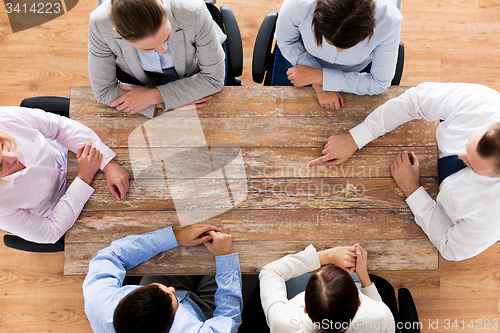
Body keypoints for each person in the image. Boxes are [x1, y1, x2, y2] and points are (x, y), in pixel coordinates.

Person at [309, 82, 500, 261]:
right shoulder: (482, 102)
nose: (460, 155)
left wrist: (413, 191)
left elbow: (450, 247)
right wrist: (356, 138)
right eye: (468, 144)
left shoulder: (489, 217)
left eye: (472, 166)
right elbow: (415, 100)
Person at [0, 106, 129, 244]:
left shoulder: (4, 118)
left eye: (2, 144)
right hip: (62, 208)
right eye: (0, 165)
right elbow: (50, 232)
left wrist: (108, 163)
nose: (13, 156)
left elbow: (58, 127)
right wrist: (84, 178)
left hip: (69, 151)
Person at [83, 223, 243, 333]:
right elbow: (228, 319)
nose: (173, 290)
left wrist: (175, 237)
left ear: (121, 299)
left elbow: (110, 256)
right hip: (204, 314)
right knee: (241, 260)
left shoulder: (99, 301)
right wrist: (226, 258)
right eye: (173, 299)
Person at [88, 0, 227, 118]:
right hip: (137, 80)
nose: (163, 50)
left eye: (167, 37)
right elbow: (104, 91)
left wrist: (155, 97)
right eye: (147, 49)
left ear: (161, 2)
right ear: (119, 33)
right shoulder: (100, 24)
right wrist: (170, 101)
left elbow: (213, 78)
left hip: (192, 72)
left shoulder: (193, 9)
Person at [272, 0, 402, 110]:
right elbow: (286, 40)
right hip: (298, 54)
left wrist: (319, 77)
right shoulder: (298, 3)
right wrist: (318, 84)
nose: (339, 51)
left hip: (356, 69)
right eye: (329, 41)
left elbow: (379, 83)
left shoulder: (389, 19)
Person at [259, 243, 395, 333]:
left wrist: (326, 256)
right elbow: (377, 305)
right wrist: (363, 275)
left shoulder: (282, 322)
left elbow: (270, 271)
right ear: (359, 302)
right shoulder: (380, 318)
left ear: (305, 308)